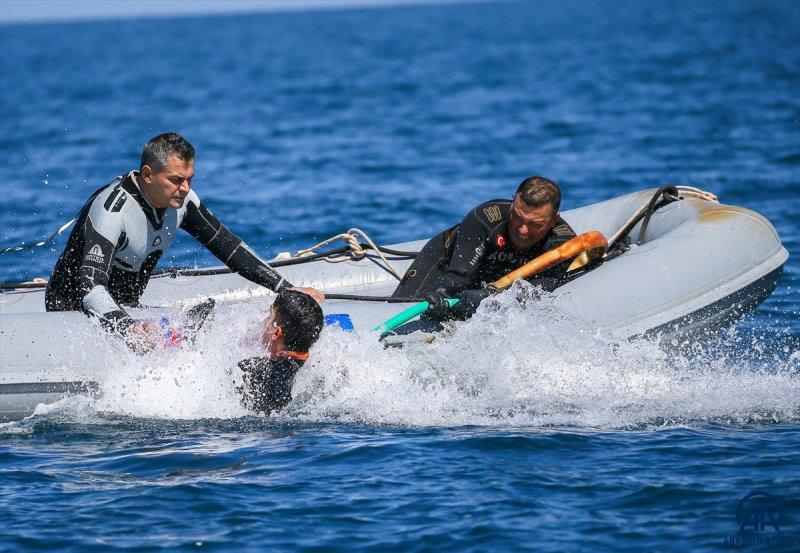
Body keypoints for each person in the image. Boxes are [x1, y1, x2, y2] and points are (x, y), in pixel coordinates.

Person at [45, 132, 323, 346]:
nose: (186, 188)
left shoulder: (182, 202)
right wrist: (127, 327)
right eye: (177, 179)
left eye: (190, 178)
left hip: (128, 314)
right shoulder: (112, 211)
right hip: (73, 313)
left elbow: (227, 246)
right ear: (148, 175)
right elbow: (91, 288)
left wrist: (285, 289)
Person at [392, 176, 576, 321]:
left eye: (534, 224)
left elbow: (541, 288)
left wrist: (488, 296)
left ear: (554, 220)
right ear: (513, 205)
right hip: (444, 262)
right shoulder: (485, 218)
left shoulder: (564, 244)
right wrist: (441, 295)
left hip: (489, 288)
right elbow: (458, 276)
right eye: (518, 217)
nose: (523, 230)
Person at [238, 289, 324, 415]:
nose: (265, 323)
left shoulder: (253, 372)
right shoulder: (322, 364)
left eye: (269, 316)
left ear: (276, 333)